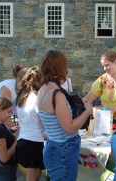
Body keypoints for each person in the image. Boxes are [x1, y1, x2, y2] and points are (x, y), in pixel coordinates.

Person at [37, 50, 93, 181]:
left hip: (53, 145)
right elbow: (69, 127)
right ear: (60, 68)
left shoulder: (42, 89)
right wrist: (87, 112)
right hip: (63, 150)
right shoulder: (57, 94)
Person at [0, 65, 27, 180]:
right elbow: (5, 114)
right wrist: (17, 132)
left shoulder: (19, 88)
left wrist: (13, 129)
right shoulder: (7, 90)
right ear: (18, 80)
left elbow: (8, 112)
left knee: (6, 135)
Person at [15, 66, 45, 181]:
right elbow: (43, 120)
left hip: (23, 140)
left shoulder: (22, 97)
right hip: (33, 143)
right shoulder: (37, 99)